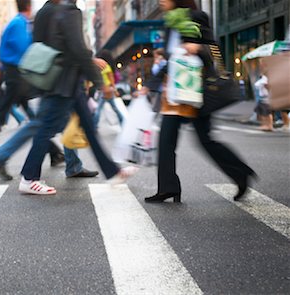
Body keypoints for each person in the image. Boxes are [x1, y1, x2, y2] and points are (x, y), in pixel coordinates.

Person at [141, 0, 256, 203]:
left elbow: (215, 52)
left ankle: (240, 173)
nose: (160, 1)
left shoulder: (196, 17)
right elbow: (172, 61)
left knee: (206, 141)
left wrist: (199, 48)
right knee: (166, 140)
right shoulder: (169, 24)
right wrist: (150, 84)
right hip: (175, 94)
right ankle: (168, 188)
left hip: (196, 93)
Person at [18, 0, 137, 195]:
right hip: (65, 82)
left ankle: (112, 172)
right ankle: (29, 177)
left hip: (59, 80)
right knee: (46, 128)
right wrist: (100, 83)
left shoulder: (43, 13)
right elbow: (78, 50)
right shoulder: (71, 11)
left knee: (89, 127)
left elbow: (40, 44)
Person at [0, 0, 65, 167]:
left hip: (15, 75)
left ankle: (55, 153)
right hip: (17, 77)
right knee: (4, 117)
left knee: (35, 118)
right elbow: (26, 51)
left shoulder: (16, 23)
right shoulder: (19, 24)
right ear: (28, 6)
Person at [93, 49, 124, 127]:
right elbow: (111, 80)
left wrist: (114, 90)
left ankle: (93, 126)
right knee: (115, 109)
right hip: (106, 91)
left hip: (105, 91)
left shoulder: (104, 67)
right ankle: (123, 122)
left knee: (98, 110)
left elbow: (111, 80)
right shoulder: (106, 67)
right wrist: (114, 90)